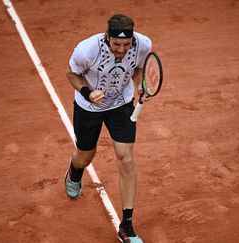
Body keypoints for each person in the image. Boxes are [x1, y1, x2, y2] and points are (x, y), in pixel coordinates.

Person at [64, 13, 152, 243]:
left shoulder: (143, 44)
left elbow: (137, 69)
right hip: (88, 107)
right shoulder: (87, 50)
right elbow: (71, 74)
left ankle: (127, 225)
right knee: (85, 156)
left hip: (121, 104)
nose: (122, 49)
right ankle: (75, 169)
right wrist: (87, 92)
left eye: (126, 44)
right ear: (107, 38)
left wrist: (141, 84)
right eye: (116, 44)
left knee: (126, 158)